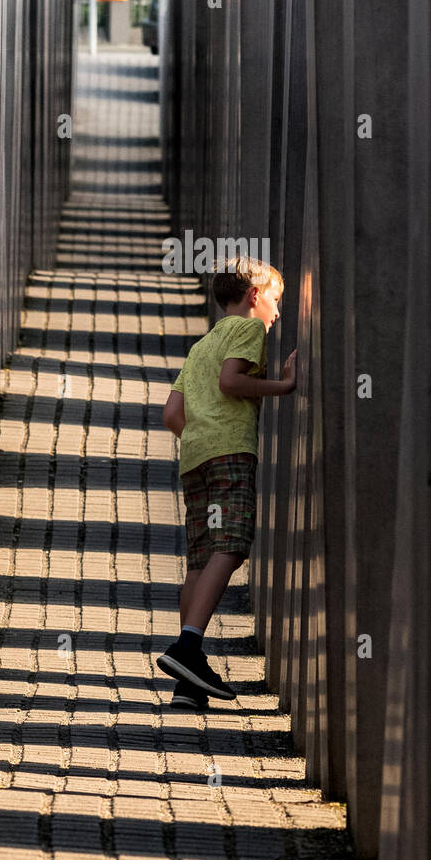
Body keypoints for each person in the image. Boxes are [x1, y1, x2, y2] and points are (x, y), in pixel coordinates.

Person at [159, 255, 297, 708]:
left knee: (200, 558)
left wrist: (200, 436)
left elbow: (172, 415)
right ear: (254, 295)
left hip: (194, 458)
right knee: (232, 544)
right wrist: (283, 386)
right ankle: (188, 646)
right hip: (230, 452)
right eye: (276, 300)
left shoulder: (200, 346)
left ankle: (187, 683)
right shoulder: (249, 329)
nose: (277, 313)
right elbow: (231, 382)